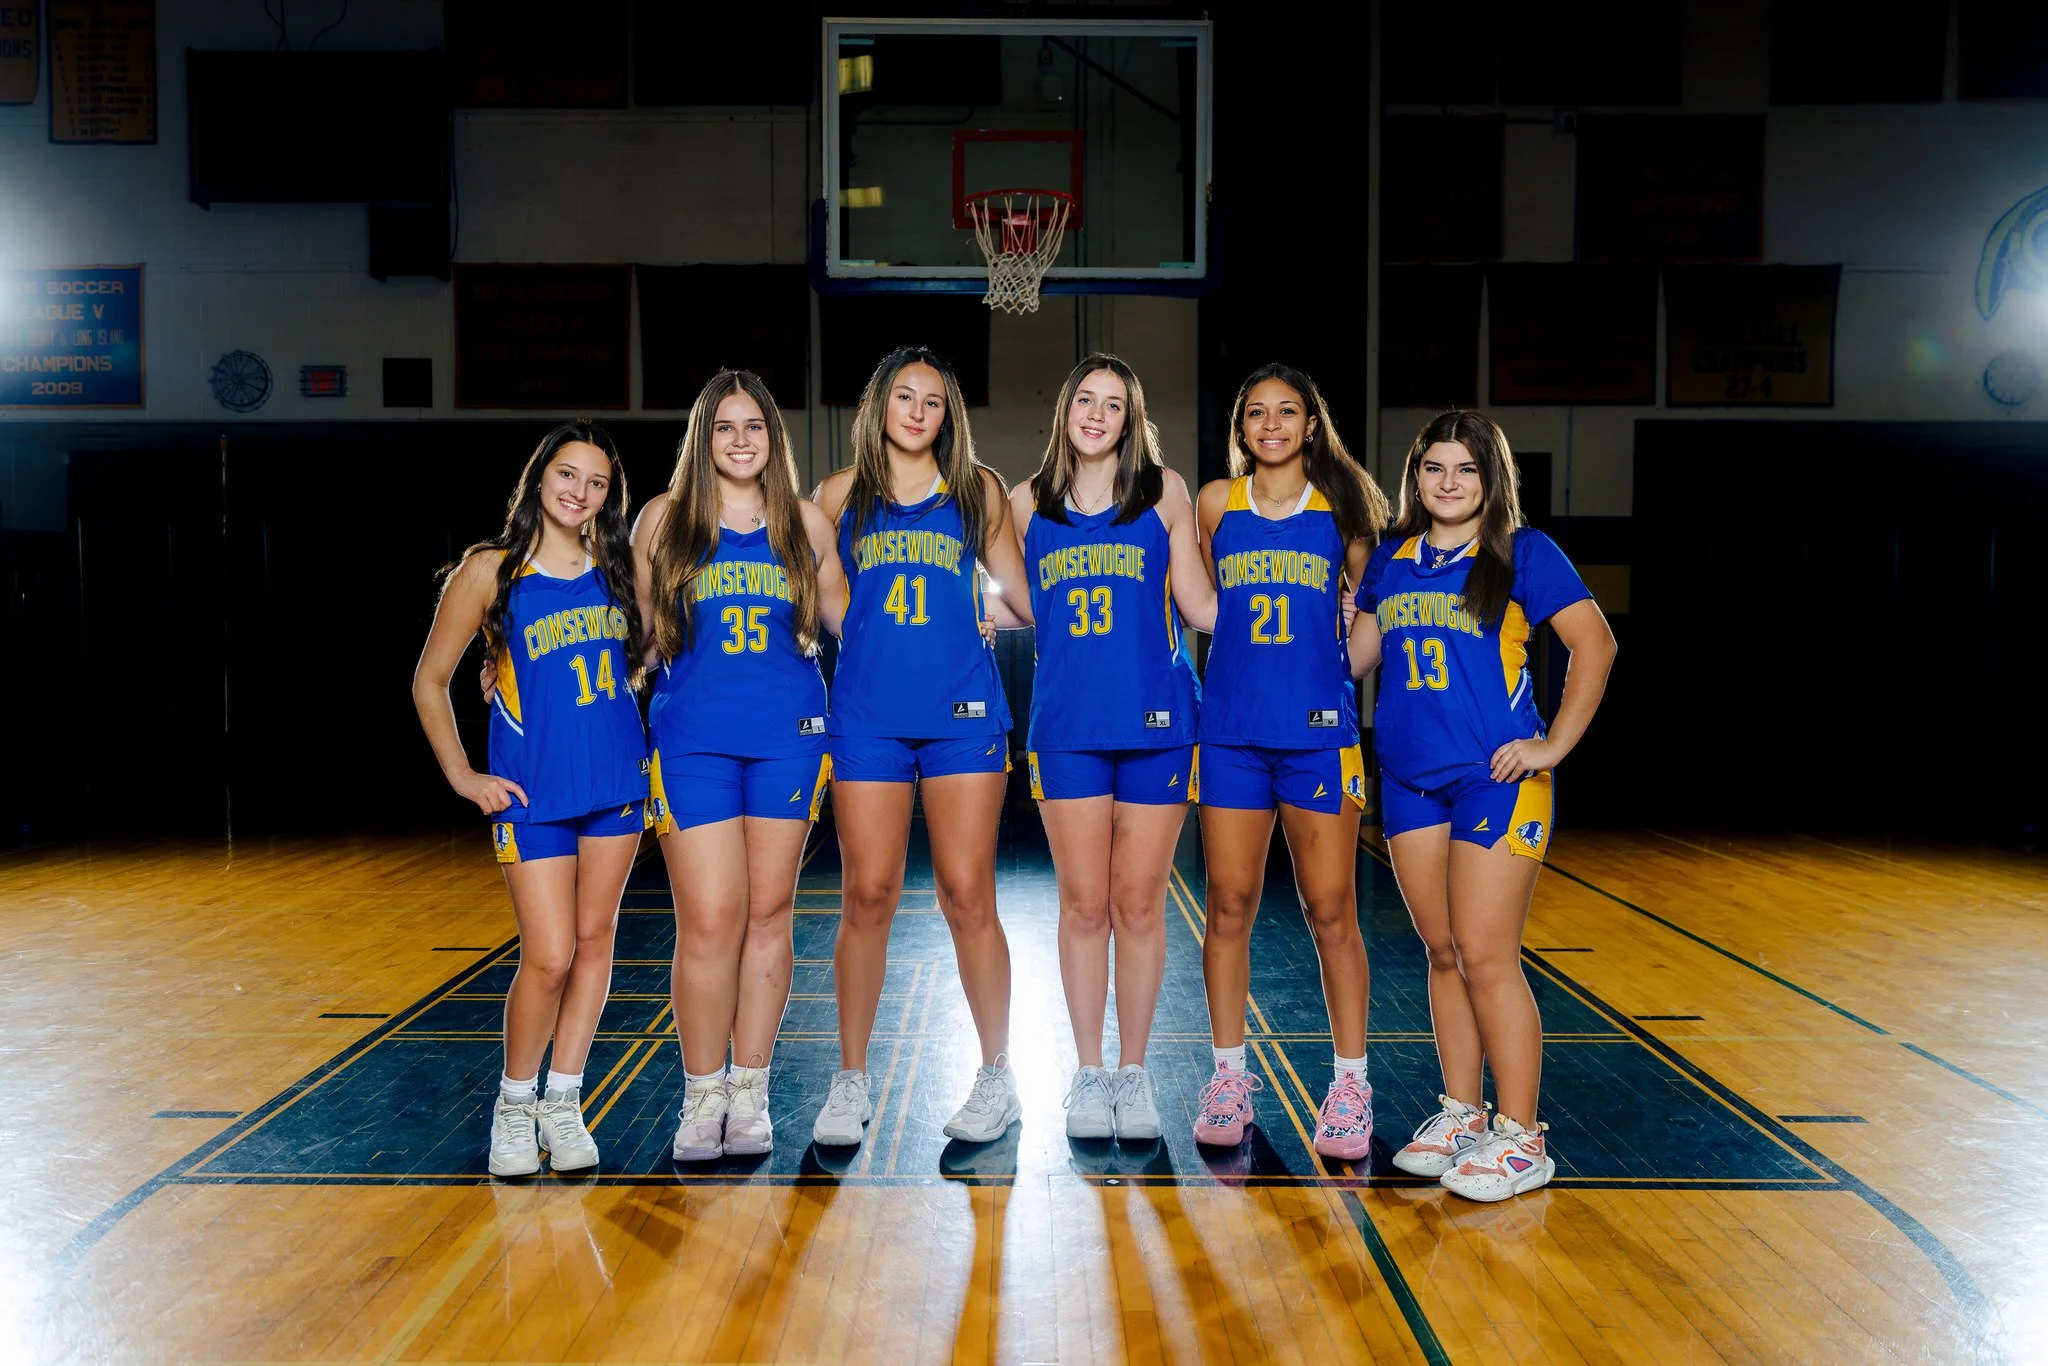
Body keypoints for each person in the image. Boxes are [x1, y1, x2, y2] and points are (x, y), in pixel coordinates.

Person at [1352, 409, 1615, 1201]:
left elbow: (1595, 643)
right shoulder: (1392, 560)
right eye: (1435, 468)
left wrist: (1553, 744)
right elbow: (1355, 657)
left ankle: (1522, 1138)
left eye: (1466, 469)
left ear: (1491, 479)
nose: (1449, 482)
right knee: (1442, 952)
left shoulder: (1524, 554)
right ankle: (1463, 1113)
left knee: (1488, 954)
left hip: (1495, 781)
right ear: (1416, 477)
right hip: (1409, 781)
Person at [809, 345, 1036, 1149]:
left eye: (931, 401)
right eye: (902, 396)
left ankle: (997, 1076)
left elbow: (1021, 596)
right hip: (868, 713)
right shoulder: (839, 495)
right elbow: (821, 601)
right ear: (878, 408)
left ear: (948, 416)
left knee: (967, 893)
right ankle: (851, 1078)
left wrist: (986, 617)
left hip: (962, 714)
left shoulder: (974, 490)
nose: (916, 411)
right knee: (866, 893)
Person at [412, 421, 647, 1177]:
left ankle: (565, 1101)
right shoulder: (490, 571)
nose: (580, 492)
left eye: (597, 482)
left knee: (596, 939)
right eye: (568, 475)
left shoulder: (618, 567)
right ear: (539, 478)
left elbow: (636, 663)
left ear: (610, 496)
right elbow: (428, 681)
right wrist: (461, 774)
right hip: (532, 792)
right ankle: (515, 1105)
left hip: (615, 783)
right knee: (547, 956)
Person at [633, 371, 848, 1161]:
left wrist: (968, 623)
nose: (740, 440)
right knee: (711, 918)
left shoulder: (805, 522)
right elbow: (642, 640)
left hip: (790, 735)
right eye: (724, 427)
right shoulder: (664, 521)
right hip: (691, 739)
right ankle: (702, 1095)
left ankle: (750, 1092)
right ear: (703, 439)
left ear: (772, 438)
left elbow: (849, 623)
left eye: (753, 426)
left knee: (767, 915)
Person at [1000, 353, 1213, 1142]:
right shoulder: (1025, 503)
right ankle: (1088, 1075)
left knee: (1138, 905)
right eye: (1084, 399)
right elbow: (1021, 603)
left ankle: (1135, 1072)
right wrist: (988, 619)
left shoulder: (1163, 493)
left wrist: (1303, 605)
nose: (1096, 413)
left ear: (1131, 419)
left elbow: (1195, 603)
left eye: (1113, 404)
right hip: (1066, 728)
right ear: (1065, 411)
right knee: (1084, 907)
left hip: (1157, 723)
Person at [1190, 363, 1389, 1161]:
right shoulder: (1214, 504)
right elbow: (1207, 606)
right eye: (1257, 414)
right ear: (1241, 428)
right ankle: (1230, 1076)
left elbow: (1370, 619)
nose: (1271, 425)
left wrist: (1342, 669)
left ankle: (1349, 1083)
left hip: (1316, 736)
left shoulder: (1342, 508)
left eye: (1288, 412)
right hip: (1232, 732)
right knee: (1229, 905)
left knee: (1331, 908)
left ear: (1311, 425)